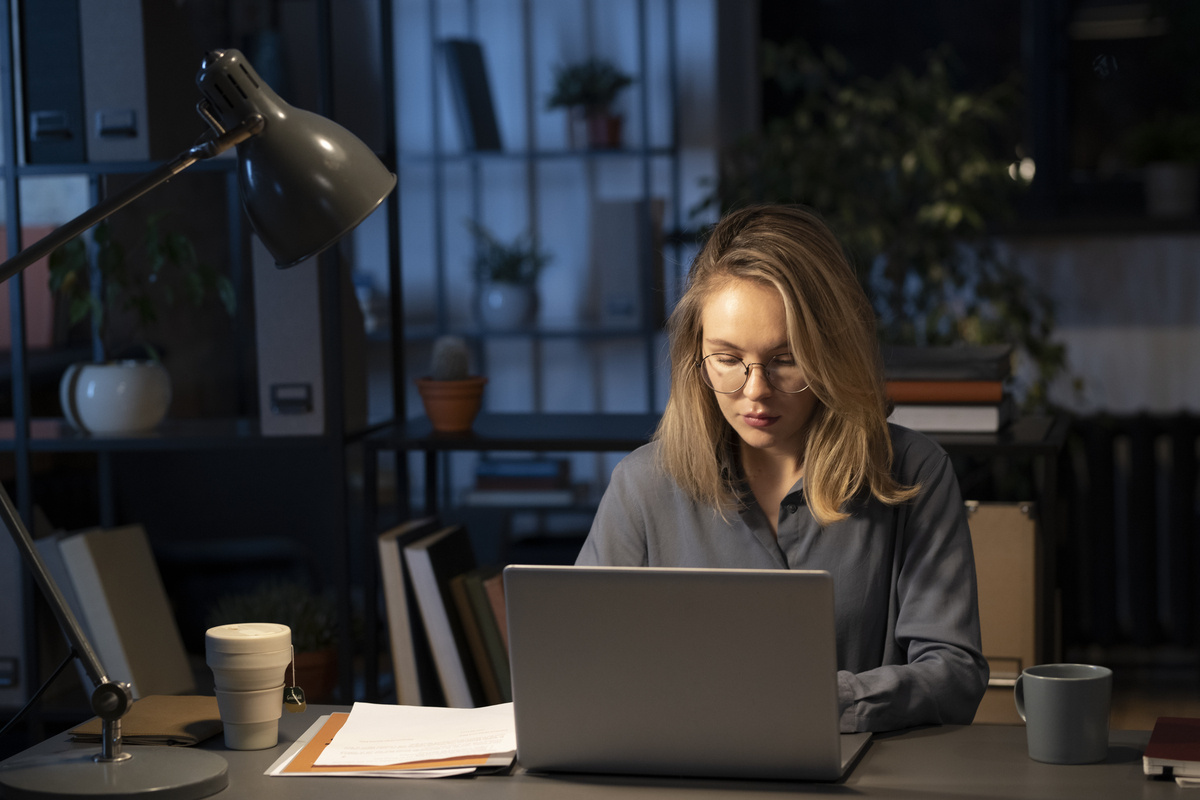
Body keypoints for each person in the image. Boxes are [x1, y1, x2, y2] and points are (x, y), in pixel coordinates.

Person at [576, 204, 989, 733]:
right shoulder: (643, 485)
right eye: (726, 359)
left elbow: (954, 674)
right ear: (693, 357)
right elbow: (584, 668)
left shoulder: (912, 471)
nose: (755, 391)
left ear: (831, 353)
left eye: (785, 359)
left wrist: (817, 701)